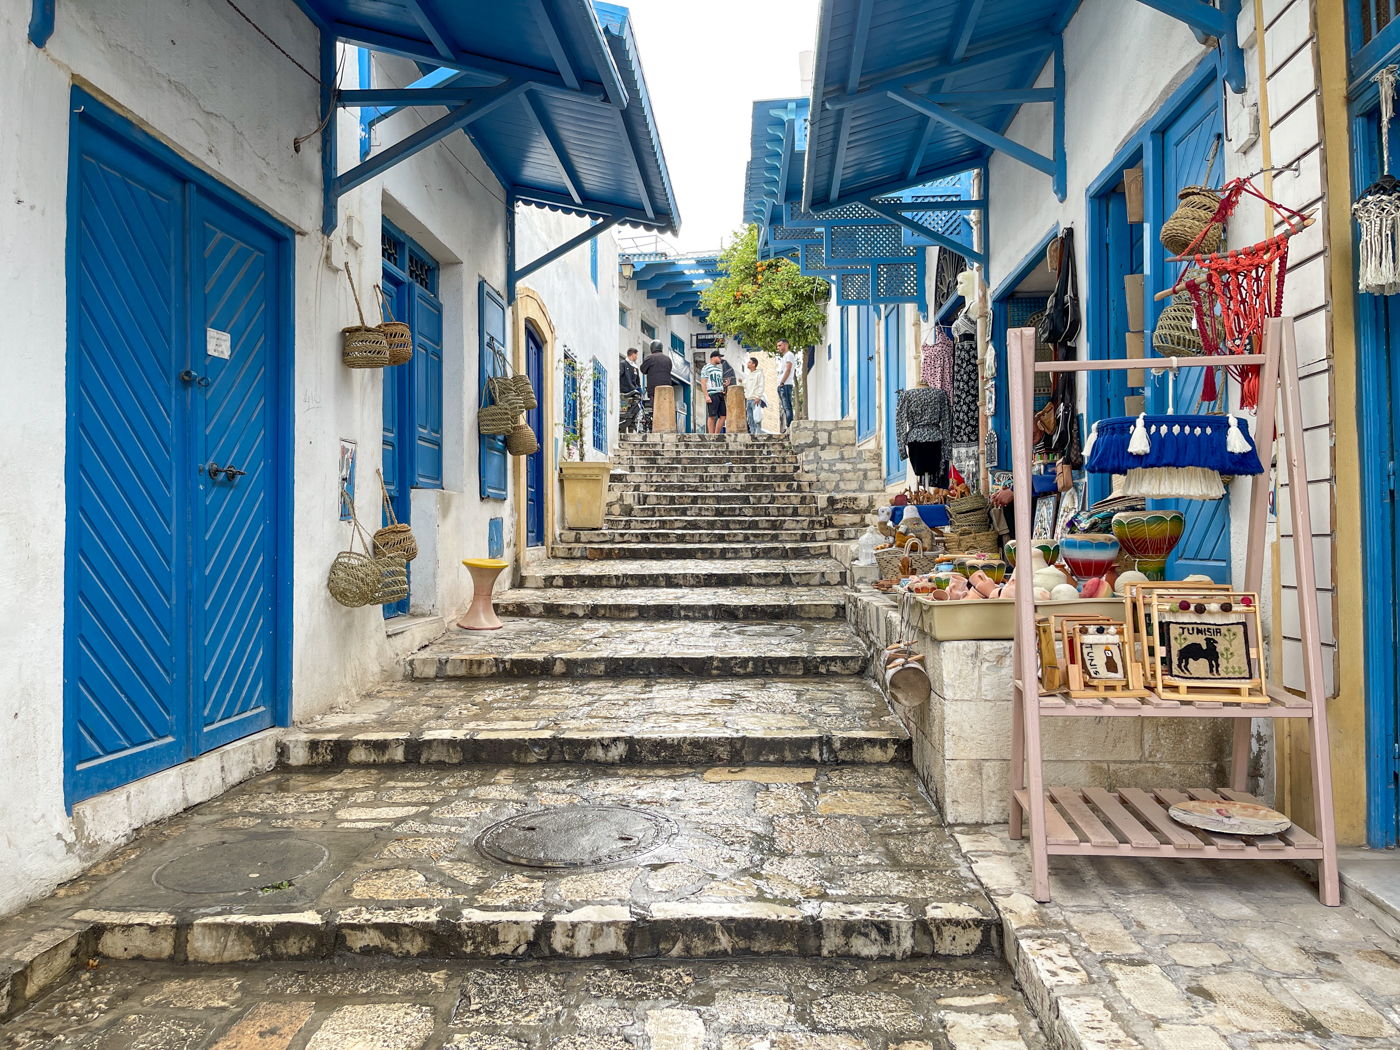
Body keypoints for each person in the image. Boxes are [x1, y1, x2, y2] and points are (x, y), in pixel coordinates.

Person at [639, 339, 672, 410]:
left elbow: (643, 369)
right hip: (666, 389)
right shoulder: (668, 359)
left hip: (654, 389)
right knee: (664, 410)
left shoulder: (650, 358)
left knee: (656, 409)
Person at [702, 350, 726, 434]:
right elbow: (703, 382)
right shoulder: (706, 368)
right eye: (719, 357)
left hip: (720, 392)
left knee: (723, 416)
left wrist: (724, 384)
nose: (720, 359)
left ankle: (717, 434)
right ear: (713, 357)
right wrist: (706, 395)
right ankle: (711, 434)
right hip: (712, 394)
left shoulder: (719, 370)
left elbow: (716, 381)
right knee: (712, 415)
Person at [776, 338, 797, 431]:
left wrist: (782, 382)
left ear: (786, 345)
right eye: (777, 346)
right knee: (785, 407)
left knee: (787, 406)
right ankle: (788, 426)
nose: (778, 348)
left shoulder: (789, 355)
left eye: (780, 345)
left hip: (785, 384)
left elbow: (788, 369)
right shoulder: (785, 357)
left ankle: (789, 426)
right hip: (782, 385)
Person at [619, 347, 642, 431]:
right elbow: (619, 376)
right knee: (624, 413)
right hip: (625, 394)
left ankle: (632, 430)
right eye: (636, 355)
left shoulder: (635, 367)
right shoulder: (623, 364)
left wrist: (639, 390)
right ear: (633, 354)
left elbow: (637, 380)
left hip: (634, 394)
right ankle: (622, 431)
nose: (637, 357)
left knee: (634, 414)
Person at [743, 356, 766, 435]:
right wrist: (740, 382)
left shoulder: (759, 374)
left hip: (755, 399)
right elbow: (745, 385)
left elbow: (761, 386)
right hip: (748, 399)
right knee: (750, 419)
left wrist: (757, 396)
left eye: (749, 362)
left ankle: (759, 433)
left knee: (757, 418)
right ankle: (752, 434)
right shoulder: (749, 375)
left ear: (753, 364)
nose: (748, 364)